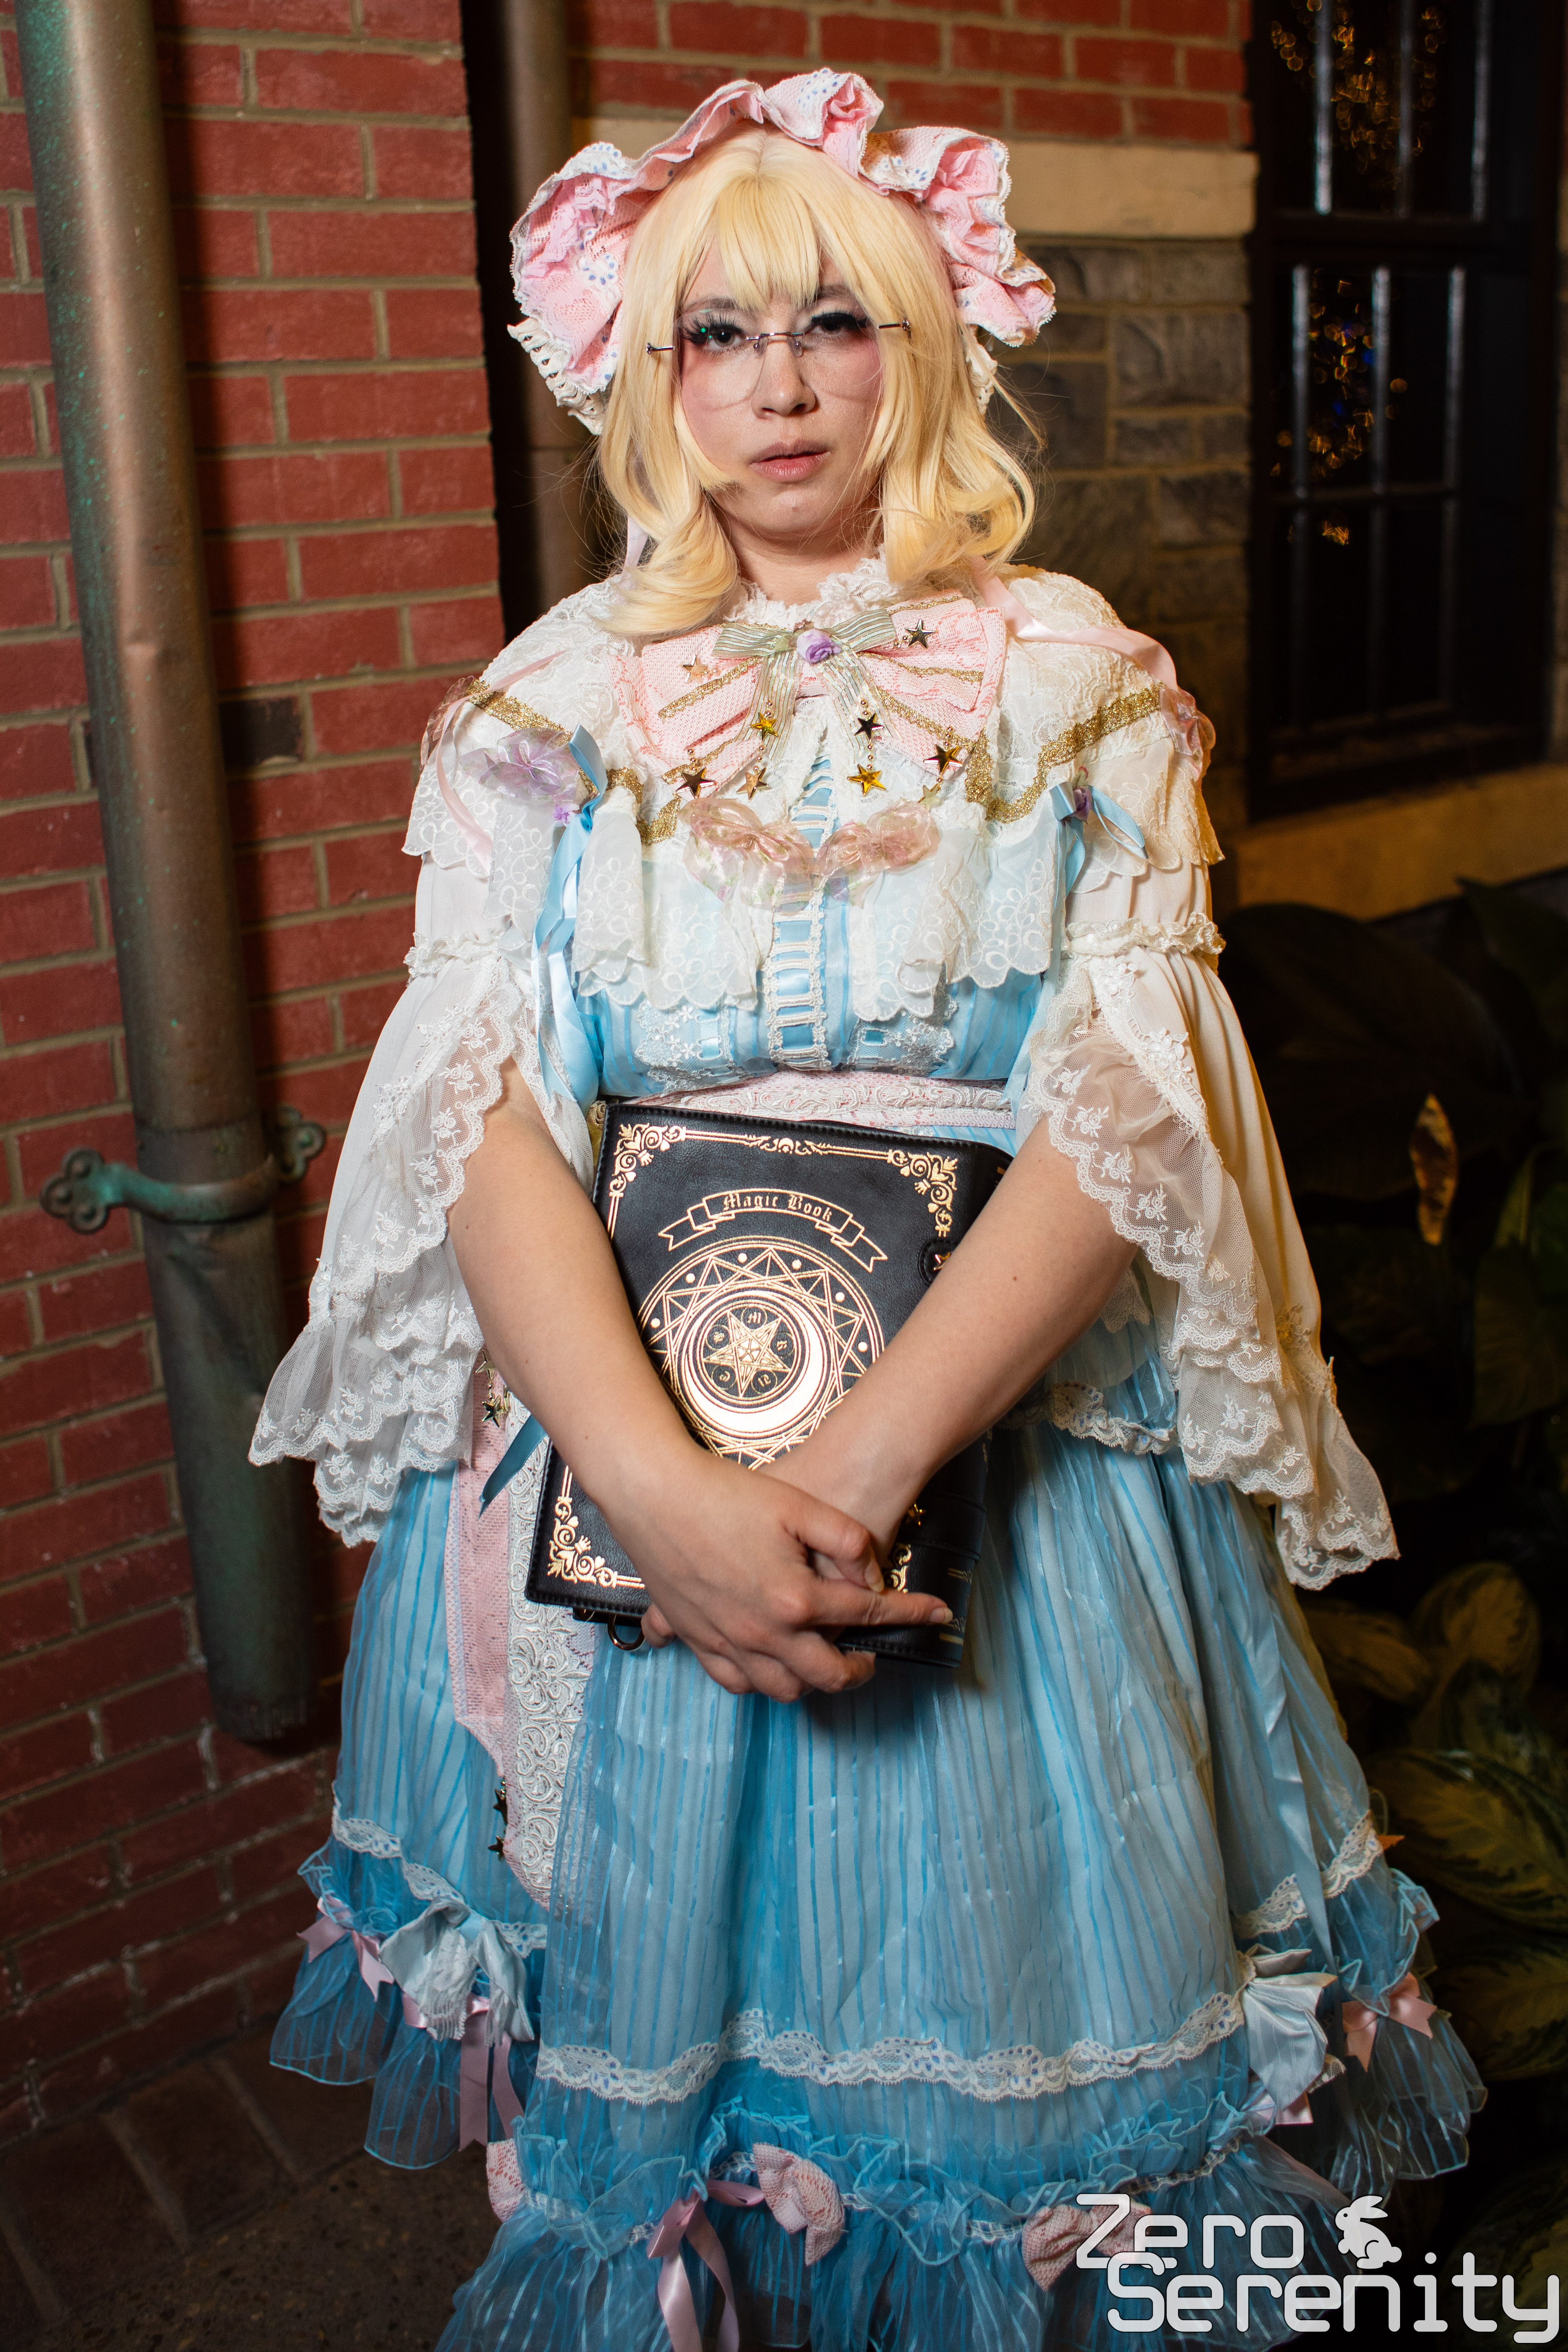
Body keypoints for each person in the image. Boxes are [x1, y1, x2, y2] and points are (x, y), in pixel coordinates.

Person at [253, 71, 1481, 2352]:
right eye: (717, 333)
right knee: (659, 2079)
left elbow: (1128, 1107)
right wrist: (659, 1494)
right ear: (647, 369)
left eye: (833, 321)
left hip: (998, 1457)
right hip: (620, 1460)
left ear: (922, 346)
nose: (780, 384)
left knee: (1014, 2073)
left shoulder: (1081, 682)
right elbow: (476, 1114)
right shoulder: (540, 701)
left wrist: (844, 1478)